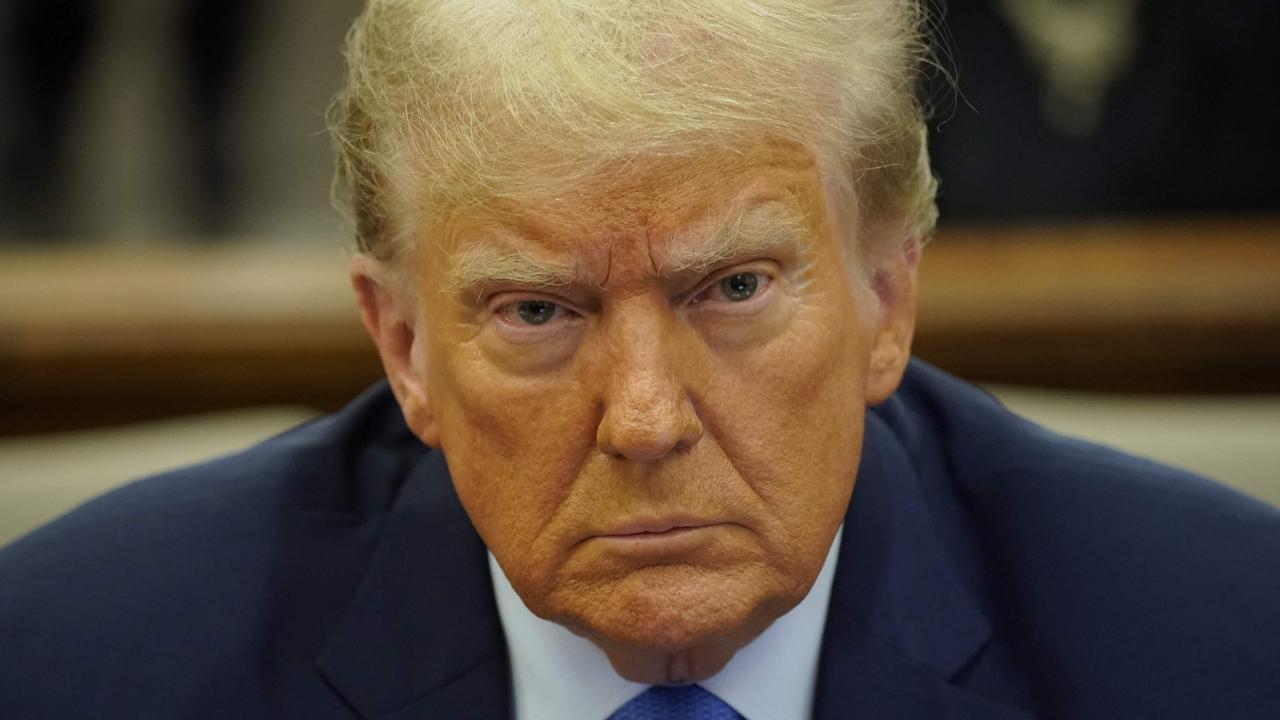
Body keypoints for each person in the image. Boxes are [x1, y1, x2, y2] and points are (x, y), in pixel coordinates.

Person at [2, 1, 1278, 718]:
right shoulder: (79, 663)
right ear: (403, 345)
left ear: (884, 297)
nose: (646, 418)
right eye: (536, 313)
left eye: (731, 289)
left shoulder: (1218, 645)